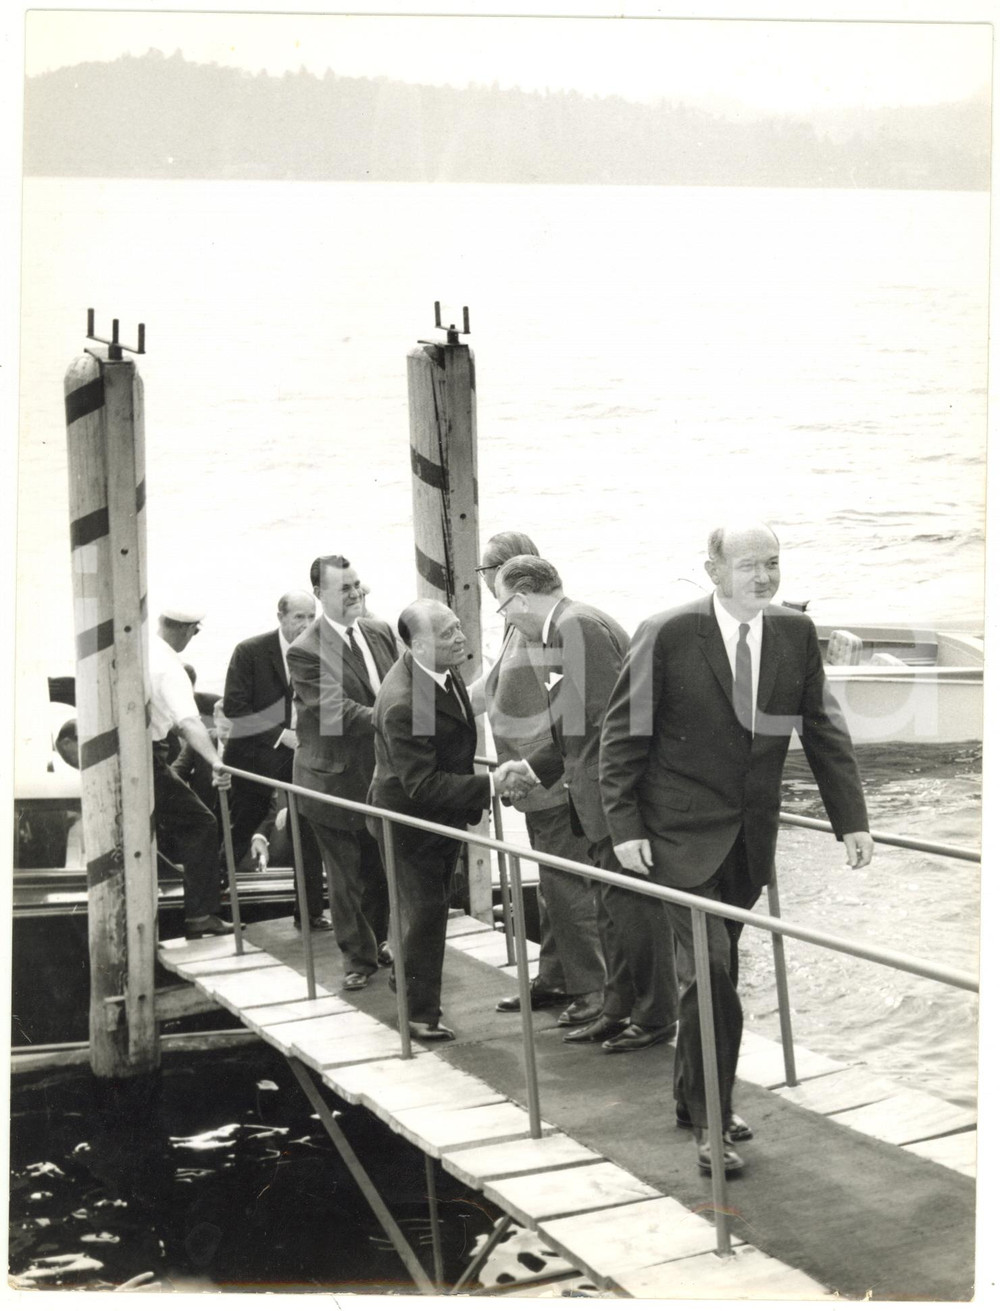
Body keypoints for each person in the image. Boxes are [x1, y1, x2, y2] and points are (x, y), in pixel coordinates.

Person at [600, 521, 873, 1176]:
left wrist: (852, 818)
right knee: (711, 974)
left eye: (773, 563)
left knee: (711, 973)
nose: (764, 576)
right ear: (714, 569)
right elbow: (623, 735)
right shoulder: (666, 632)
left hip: (748, 837)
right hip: (674, 833)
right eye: (750, 564)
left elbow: (822, 728)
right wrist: (626, 827)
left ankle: (688, 1097)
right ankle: (712, 1123)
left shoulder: (793, 633)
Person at [493, 556, 678, 1054]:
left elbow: (609, 729)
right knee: (611, 911)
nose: (505, 618)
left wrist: (620, 813)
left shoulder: (577, 629)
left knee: (636, 913)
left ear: (523, 597)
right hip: (593, 799)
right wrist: (532, 769)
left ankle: (657, 1016)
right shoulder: (566, 629)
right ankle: (618, 1009)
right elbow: (575, 730)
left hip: (611, 803)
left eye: (502, 606)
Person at [368, 599, 526, 1041]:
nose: (461, 639)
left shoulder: (435, 671)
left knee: (425, 908)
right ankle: (419, 1016)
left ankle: (406, 978)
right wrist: (494, 785)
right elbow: (423, 784)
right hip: (408, 823)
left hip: (438, 819)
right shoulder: (403, 701)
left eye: (459, 628)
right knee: (426, 912)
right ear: (418, 646)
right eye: (448, 634)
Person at [470, 532, 606, 1028]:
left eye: (486, 573)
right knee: (551, 888)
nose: (484, 584)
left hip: (548, 782)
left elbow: (570, 711)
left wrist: (538, 768)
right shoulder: (518, 628)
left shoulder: (539, 631)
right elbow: (491, 689)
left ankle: (592, 988)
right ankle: (555, 975)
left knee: (569, 889)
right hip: (533, 782)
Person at [287, 556, 397, 989]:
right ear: (320, 595)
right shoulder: (305, 650)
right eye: (345, 589)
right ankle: (358, 959)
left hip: (378, 772)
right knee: (345, 874)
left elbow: (398, 684)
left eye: (357, 585)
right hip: (329, 776)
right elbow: (335, 713)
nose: (356, 594)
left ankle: (380, 940)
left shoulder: (380, 631)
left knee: (378, 865)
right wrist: (399, 721)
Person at [221, 591, 327, 929]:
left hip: (302, 757)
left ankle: (308, 914)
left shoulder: (320, 652)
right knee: (243, 827)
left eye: (311, 617)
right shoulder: (250, 652)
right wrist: (282, 735)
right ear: (280, 617)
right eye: (299, 617)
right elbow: (236, 710)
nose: (307, 624)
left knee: (307, 830)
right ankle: (208, 905)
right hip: (253, 758)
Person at [150, 606, 235, 938]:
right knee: (201, 823)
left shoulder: (146, 651)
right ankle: (201, 915)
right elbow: (188, 722)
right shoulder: (171, 667)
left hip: (140, 756)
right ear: (187, 630)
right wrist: (216, 761)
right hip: (149, 759)